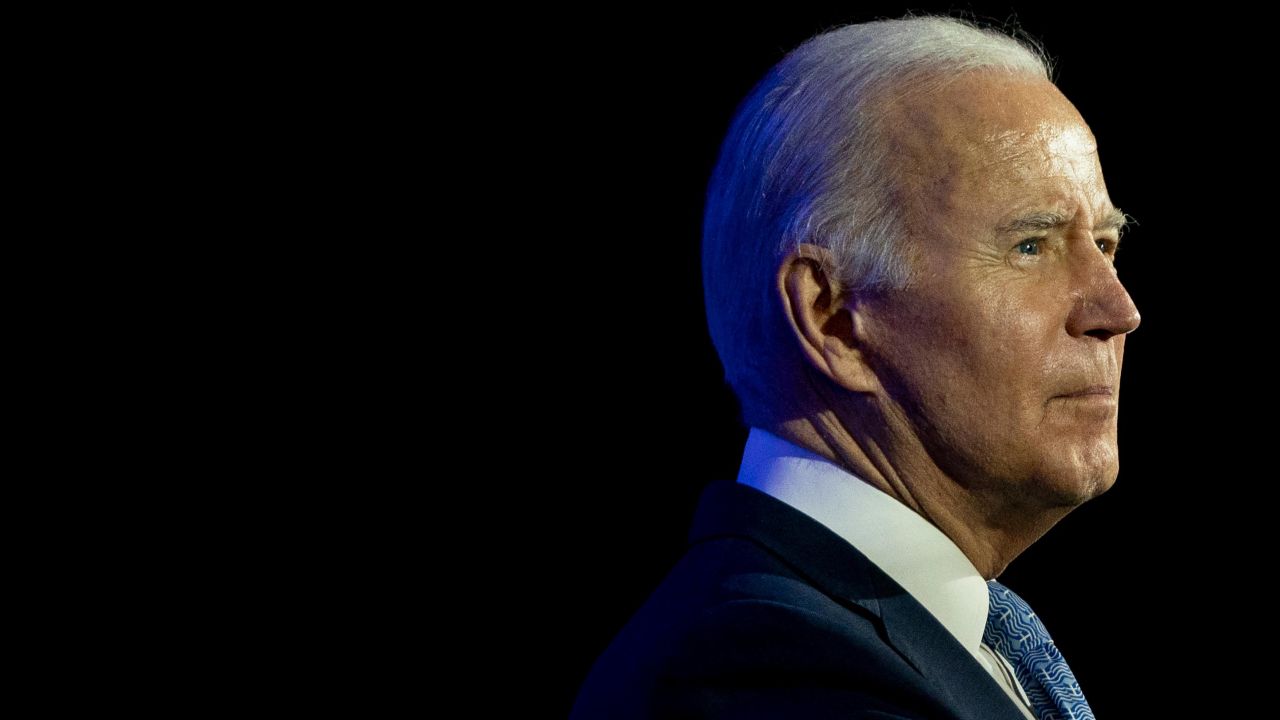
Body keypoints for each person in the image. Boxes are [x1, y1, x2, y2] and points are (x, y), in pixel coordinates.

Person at [571, 14, 1139, 720]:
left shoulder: (934, 639)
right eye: (1031, 245)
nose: (1117, 310)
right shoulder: (764, 675)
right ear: (833, 317)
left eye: (1108, 245)